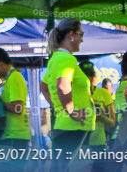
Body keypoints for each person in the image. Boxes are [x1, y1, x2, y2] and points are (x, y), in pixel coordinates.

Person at [40, 18, 94, 158]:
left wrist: (58, 107)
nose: (82, 39)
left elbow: (44, 86)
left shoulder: (55, 58)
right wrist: (71, 112)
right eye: (80, 34)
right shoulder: (67, 59)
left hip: (65, 126)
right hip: (74, 128)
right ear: (71, 35)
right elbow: (63, 86)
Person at [0, 47, 30, 149]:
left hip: (15, 136)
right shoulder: (10, 78)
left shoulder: (15, 77)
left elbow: (17, 108)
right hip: (12, 136)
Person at [80, 63, 115, 151]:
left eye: (90, 75)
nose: (88, 79)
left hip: (98, 143)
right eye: (84, 76)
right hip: (80, 142)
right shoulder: (74, 94)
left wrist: (101, 117)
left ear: (94, 77)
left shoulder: (103, 93)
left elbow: (112, 122)